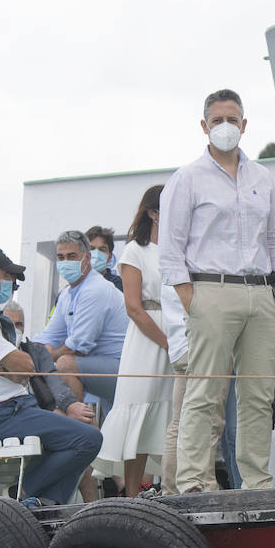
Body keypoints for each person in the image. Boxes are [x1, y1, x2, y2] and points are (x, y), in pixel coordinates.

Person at [159, 88, 275, 492]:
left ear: (245, 125)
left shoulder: (262, 177)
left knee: (258, 394)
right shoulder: (187, 178)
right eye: (217, 120)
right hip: (210, 290)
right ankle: (194, 481)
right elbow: (170, 249)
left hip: (260, 292)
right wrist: (192, 299)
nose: (225, 126)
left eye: (232, 119)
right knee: (204, 391)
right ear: (204, 126)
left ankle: (256, 480)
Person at [0, 245, 103, 506]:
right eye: (9, 279)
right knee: (88, 439)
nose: (12, 287)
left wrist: (16, 370)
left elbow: (22, 370)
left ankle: (42, 504)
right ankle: (23, 492)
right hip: (0, 416)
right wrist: (16, 370)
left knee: (78, 439)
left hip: (10, 411)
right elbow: (27, 367)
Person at [92, 185, 175, 498]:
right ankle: (130, 495)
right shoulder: (134, 251)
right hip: (147, 339)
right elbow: (134, 307)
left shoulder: (179, 249)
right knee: (139, 409)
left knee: (171, 414)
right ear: (153, 213)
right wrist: (167, 342)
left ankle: (167, 488)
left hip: (179, 330)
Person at [34, 229, 129, 417]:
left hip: (125, 370)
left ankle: (80, 431)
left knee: (64, 364)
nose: (65, 262)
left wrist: (46, 356)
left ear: (87, 259)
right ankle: (81, 431)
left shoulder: (95, 289)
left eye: (71, 256)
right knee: (46, 366)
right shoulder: (67, 294)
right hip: (102, 369)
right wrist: (34, 353)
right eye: (60, 257)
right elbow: (48, 336)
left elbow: (77, 347)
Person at [86, 226, 125, 292]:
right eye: (91, 248)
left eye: (102, 249)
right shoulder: (75, 285)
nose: (97, 254)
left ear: (109, 257)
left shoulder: (118, 285)